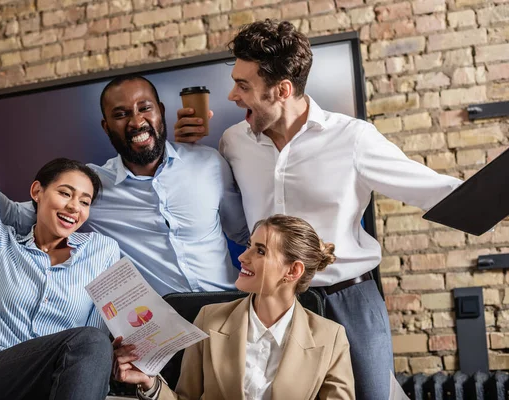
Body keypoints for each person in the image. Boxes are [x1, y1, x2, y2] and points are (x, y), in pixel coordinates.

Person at [174, 19, 463, 400]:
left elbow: (433, 189)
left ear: (283, 90)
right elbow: (227, 215)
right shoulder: (233, 142)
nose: (232, 95)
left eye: (244, 85)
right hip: (270, 302)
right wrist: (183, 148)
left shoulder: (353, 138)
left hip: (346, 299)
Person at [0, 31, 119, 400]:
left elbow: (99, 331)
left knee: (94, 340)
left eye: (85, 201)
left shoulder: (102, 251)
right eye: (65, 193)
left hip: (50, 382)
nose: (74, 207)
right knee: (89, 341)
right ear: (37, 193)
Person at [0, 75, 249, 297]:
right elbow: (17, 217)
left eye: (145, 108)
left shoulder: (209, 163)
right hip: (163, 323)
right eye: (121, 114)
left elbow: (243, 233)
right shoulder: (89, 187)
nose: (136, 121)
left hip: (228, 306)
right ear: (106, 127)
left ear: (161, 112)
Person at [114, 214, 354, 400]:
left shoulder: (331, 337)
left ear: (293, 271)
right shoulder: (210, 319)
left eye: (260, 250)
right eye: (249, 245)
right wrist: (150, 383)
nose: (242, 256)